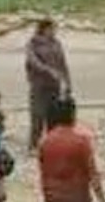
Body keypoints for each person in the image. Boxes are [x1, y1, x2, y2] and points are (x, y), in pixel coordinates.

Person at [38, 97, 105, 202]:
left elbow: (44, 175)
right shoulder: (81, 141)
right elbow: (93, 174)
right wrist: (101, 198)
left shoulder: (45, 142)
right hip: (78, 196)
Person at [26, 18, 71, 153]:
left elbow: (63, 63)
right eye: (52, 28)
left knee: (54, 116)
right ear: (44, 29)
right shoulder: (32, 43)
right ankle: (33, 145)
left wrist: (67, 82)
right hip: (39, 85)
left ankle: (52, 144)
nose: (54, 31)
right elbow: (33, 62)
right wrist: (49, 70)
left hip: (54, 86)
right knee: (37, 115)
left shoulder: (57, 43)